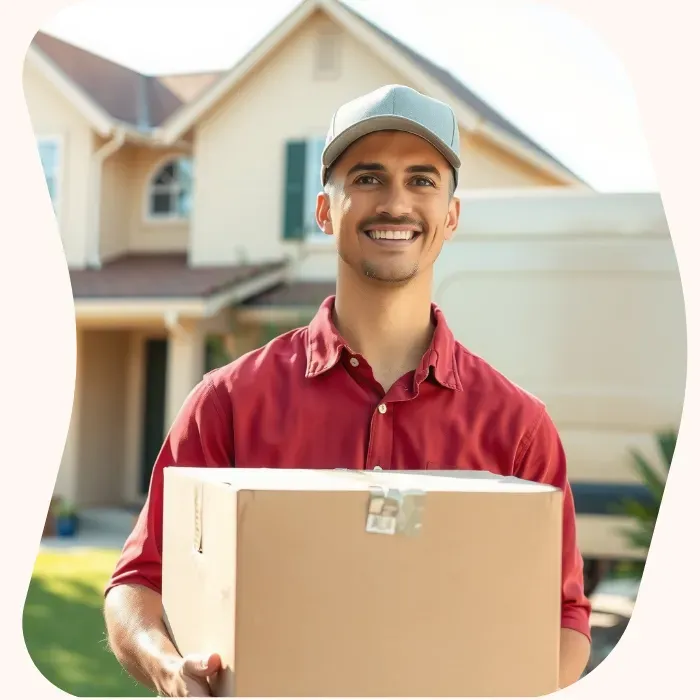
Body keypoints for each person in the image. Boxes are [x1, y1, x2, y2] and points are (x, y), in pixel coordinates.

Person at [103, 84, 591, 696]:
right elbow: (138, 581)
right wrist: (166, 667)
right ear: (325, 210)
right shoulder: (228, 401)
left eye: (421, 180)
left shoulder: (518, 426)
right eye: (367, 178)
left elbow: (565, 618)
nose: (395, 203)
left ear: (452, 216)